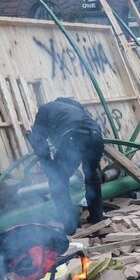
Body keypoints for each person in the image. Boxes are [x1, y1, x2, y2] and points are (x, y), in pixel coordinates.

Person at [27, 97, 105, 234]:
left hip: (72, 138)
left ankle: (70, 225)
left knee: (58, 181)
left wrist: (48, 165)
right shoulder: (75, 109)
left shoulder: (45, 109)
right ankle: (97, 218)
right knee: (92, 176)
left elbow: (40, 142)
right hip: (96, 136)